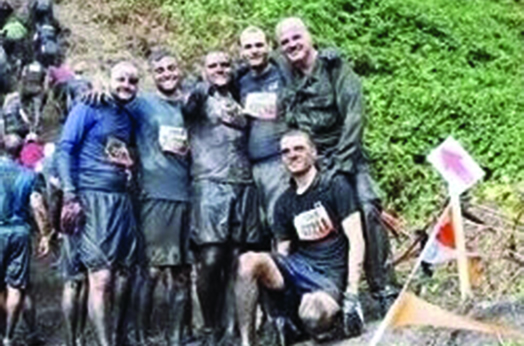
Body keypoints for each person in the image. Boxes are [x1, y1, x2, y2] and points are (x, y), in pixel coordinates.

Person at [276, 17, 397, 312]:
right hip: (308, 161)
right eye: (285, 42)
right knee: (290, 215)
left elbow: (354, 117)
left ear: (309, 36)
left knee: (367, 209)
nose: (292, 44)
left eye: (296, 37)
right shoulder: (286, 75)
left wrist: (341, 166)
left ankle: (384, 287)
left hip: (345, 156)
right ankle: (306, 296)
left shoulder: (336, 68)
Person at [235, 129, 365, 346]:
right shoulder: (284, 202)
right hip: (298, 269)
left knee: (312, 314)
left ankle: (326, 322)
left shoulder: (335, 186)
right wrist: (278, 307)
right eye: (286, 152)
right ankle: (248, 342)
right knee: (247, 261)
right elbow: (282, 254)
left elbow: (357, 240)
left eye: (299, 148)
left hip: (329, 276)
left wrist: (352, 292)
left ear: (313, 153)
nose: (292, 155)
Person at [56, 61, 140, 346]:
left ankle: (115, 337)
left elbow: (119, 154)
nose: (126, 85)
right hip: (91, 197)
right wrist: (70, 194)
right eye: (120, 79)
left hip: (121, 201)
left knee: (123, 273)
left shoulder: (127, 117)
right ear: (107, 79)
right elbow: (65, 149)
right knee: (99, 276)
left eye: (132, 80)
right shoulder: (88, 107)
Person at [184, 51, 260, 345]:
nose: (220, 69)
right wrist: (199, 88)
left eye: (224, 64)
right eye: (213, 65)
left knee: (236, 258)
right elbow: (187, 111)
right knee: (211, 256)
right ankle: (209, 327)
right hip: (209, 183)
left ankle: (232, 328)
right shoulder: (199, 96)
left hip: (243, 183)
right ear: (204, 70)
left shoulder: (241, 95)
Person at [127, 49, 192, 346]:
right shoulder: (143, 105)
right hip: (155, 195)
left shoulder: (191, 103)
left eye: (171, 68)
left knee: (181, 272)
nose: (167, 74)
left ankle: (176, 338)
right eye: (160, 70)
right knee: (151, 270)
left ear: (180, 70)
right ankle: (139, 337)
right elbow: (116, 104)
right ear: (153, 76)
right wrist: (98, 91)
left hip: (190, 196)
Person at [237, 26, 288, 246]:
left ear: (269, 46)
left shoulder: (284, 75)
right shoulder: (240, 82)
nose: (254, 50)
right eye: (248, 46)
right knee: (258, 228)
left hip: (278, 161)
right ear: (241, 52)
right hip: (251, 166)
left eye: (259, 45)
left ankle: (287, 276)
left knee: (281, 224)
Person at [0, 133, 52, 346]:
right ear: (21, 151)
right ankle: (9, 337)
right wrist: (45, 235)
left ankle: (2, 330)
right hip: (20, 233)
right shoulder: (29, 176)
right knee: (16, 286)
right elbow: (38, 207)